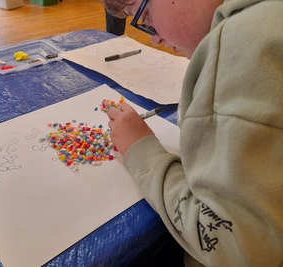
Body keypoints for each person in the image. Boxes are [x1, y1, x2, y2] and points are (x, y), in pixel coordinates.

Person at [101, 0, 283, 266]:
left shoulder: (242, 44)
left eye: (145, 16)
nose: (155, 39)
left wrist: (141, 151)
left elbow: (234, 249)